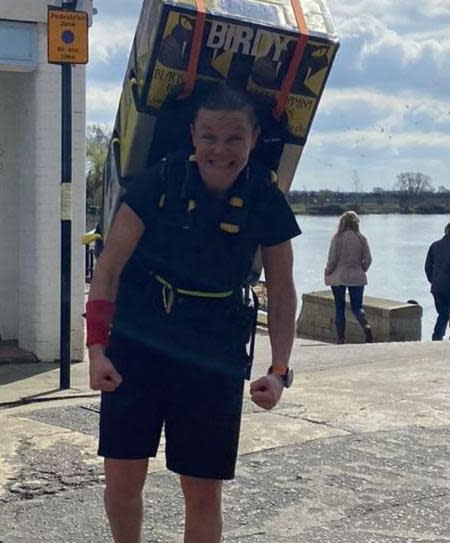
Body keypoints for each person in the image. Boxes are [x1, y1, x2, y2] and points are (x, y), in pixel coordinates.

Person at [85, 83, 300, 543]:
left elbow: (282, 290)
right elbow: (109, 268)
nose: (219, 150)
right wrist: (96, 348)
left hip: (213, 353)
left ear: (255, 138)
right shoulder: (158, 183)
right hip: (137, 344)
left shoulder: (265, 196)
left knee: (203, 495)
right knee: (123, 483)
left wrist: (280, 369)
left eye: (233, 138)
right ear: (192, 134)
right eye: (208, 136)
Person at [323, 210, 373, 343]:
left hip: (339, 276)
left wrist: (327, 271)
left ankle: (340, 338)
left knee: (339, 307)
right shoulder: (361, 238)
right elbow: (368, 259)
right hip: (357, 277)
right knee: (357, 307)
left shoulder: (337, 238)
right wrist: (362, 269)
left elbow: (332, 259)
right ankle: (366, 327)